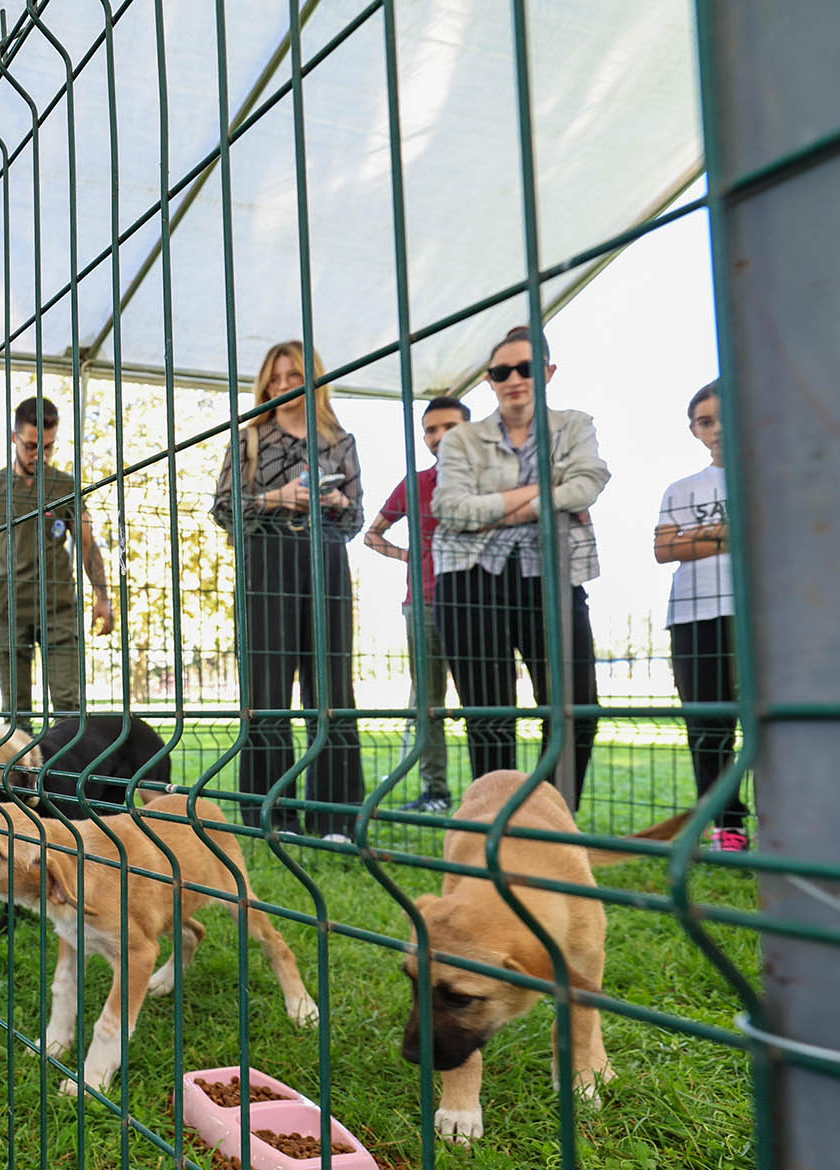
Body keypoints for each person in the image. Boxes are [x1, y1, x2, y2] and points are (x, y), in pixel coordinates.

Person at [432, 325, 609, 808]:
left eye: (526, 368)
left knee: (575, 707)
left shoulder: (575, 425)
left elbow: (589, 482)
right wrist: (543, 494)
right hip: (470, 581)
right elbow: (450, 507)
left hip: (552, 575)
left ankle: (553, 817)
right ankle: (497, 823)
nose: (514, 379)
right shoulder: (462, 438)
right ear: (489, 380)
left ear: (548, 372)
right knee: (489, 714)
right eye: (500, 371)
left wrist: (499, 507)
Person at [210, 343, 365, 839]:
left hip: (325, 561)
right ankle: (270, 816)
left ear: (313, 379)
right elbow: (222, 508)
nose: (281, 387)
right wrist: (280, 497)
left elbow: (357, 519)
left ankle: (335, 818)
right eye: (274, 379)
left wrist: (336, 500)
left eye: (292, 376)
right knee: (267, 690)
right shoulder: (251, 436)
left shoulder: (339, 440)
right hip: (266, 563)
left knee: (332, 689)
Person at [0, 396, 115, 728]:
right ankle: (19, 779)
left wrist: (103, 597)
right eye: (32, 446)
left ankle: (69, 778)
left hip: (58, 608)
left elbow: (87, 545)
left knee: (68, 708)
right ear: (13, 438)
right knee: (15, 713)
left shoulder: (65, 486)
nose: (40, 455)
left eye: (48, 447)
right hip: (7, 607)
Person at [655, 379, 749, 851]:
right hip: (694, 617)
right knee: (708, 729)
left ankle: (792, 821)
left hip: (760, 615)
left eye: (723, 417)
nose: (716, 430)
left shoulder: (772, 475)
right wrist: (730, 532)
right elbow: (663, 548)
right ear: (693, 431)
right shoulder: (682, 488)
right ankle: (727, 827)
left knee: (769, 723)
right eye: (705, 422)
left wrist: (700, 538)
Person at [364, 394, 469, 814]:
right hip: (422, 603)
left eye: (450, 427)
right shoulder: (414, 483)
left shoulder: (487, 478)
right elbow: (372, 535)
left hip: (476, 601)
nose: (439, 436)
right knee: (428, 703)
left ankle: (491, 788)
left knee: (482, 697)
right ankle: (436, 793)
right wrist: (408, 556)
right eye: (431, 429)